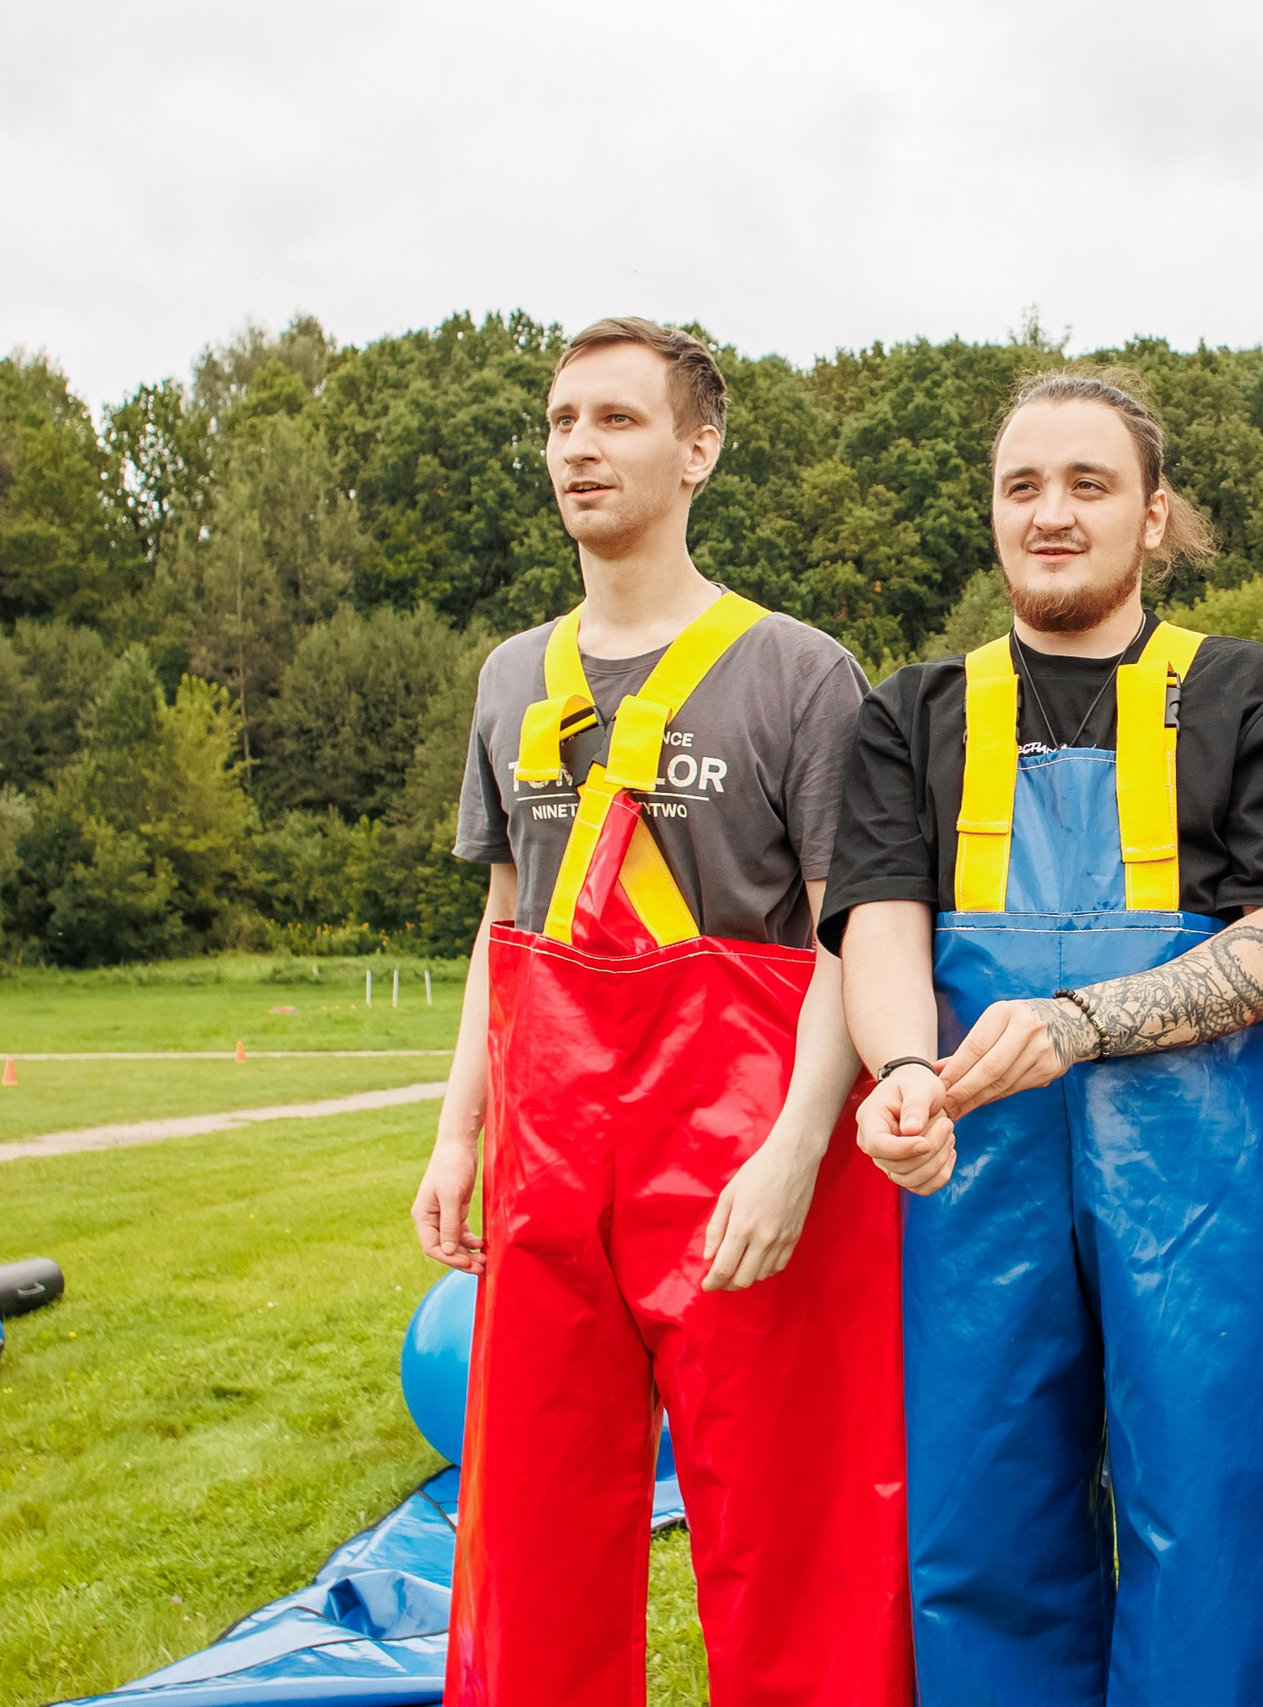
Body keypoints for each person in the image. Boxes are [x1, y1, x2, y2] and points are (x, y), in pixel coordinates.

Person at [823, 371, 1263, 1706]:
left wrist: (1081, 1022)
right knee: (984, 1511)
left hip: (1210, 1176)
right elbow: (879, 923)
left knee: (1213, 1512)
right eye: (1024, 486)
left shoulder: (1244, 694)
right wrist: (901, 1064)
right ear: (992, 514)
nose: (1052, 514)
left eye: (1089, 484)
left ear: (1156, 516)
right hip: (978, 1165)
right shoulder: (913, 710)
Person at [414, 318, 911, 1707]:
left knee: (789, 1536)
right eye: (564, 419)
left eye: (619, 419)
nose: (580, 445)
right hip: (557, 1158)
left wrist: (800, 1145)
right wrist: (462, 1134)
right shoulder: (513, 676)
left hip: (751, 1145)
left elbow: (848, 928)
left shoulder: (800, 670)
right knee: (532, 1536)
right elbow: (505, 922)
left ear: (699, 450)